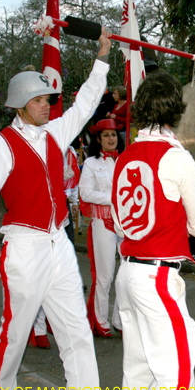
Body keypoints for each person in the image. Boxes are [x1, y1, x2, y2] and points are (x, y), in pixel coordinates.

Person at [0, 28, 112, 390]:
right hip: (24, 249)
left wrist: (102, 58)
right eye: (41, 100)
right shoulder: (0, 147)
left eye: (48, 99)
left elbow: (85, 106)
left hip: (58, 243)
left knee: (77, 331)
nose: (48, 106)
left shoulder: (54, 133)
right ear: (21, 104)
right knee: (14, 333)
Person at [111, 70, 195, 390]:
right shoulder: (178, 158)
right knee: (177, 379)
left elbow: (120, 222)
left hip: (126, 272)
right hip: (156, 276)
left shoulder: (124, 157)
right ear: (176, 111)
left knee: (138, 374)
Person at [80, 118, 124, 338]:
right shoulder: (90, 164)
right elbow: (85, 193)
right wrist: (113, 198)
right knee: (105, 275)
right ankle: (100, 320)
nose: (111, 139)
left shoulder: (125, 161)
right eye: (106, 135)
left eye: (114, 134)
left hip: (126, 224)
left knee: (125, 276)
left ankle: (120, 320)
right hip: (103, 222)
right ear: (98, 139)